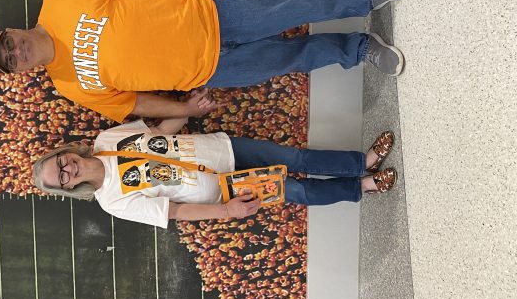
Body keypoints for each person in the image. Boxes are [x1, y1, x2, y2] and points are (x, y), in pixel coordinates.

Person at [0, 0, 411, 123]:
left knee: (291, 6)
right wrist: (184, 108)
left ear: (12, 30)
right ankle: (358, 49)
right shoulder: (69, 85)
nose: (16, 51)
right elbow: (134, 103)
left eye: (8, 44)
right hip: (210, 69)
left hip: (208, 14)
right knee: (292, 57)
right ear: (20, 71)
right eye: (10, 60)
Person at [32, 115, 397, 227]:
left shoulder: (106, 139)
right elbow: (174, 211)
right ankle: (364, 187)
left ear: (65, 152)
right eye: (61, 178)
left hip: (222, 149)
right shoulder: (111, 201)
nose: (67, 169)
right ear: (68, 188)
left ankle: (361, 162)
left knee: (296, 158)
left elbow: (158, 134)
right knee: (297, 190)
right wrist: (226, 210)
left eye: (60, 162)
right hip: (226, 186)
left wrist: (189, 110)